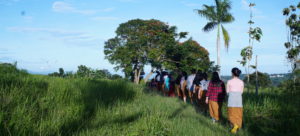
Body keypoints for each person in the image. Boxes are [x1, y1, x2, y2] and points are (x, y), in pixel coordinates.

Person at [226, 68, 244, 134]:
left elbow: (227, 92)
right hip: (239, 99)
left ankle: (234, 126)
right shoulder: (241, 82)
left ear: (232, 73)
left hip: (231, 99)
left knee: (231, 113)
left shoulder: (229, 81)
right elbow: (241, 92)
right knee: (238, 114)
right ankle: (237, 126)